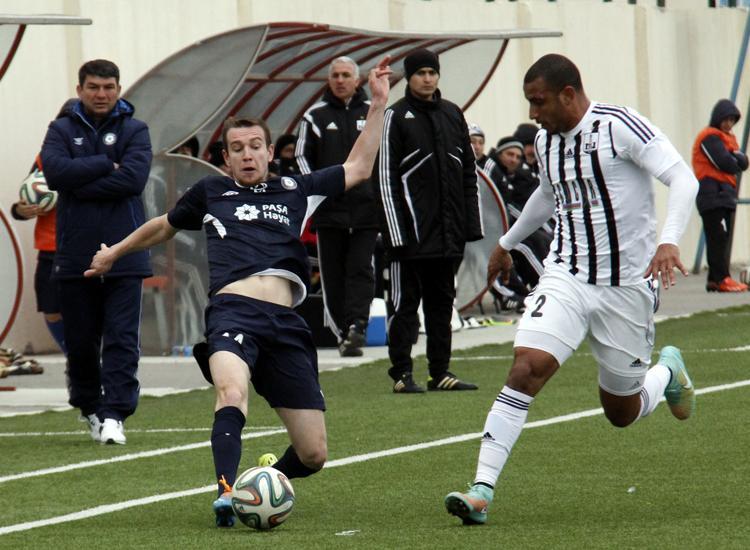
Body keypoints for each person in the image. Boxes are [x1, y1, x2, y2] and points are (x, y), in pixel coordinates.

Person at [85, 57, 393, 527]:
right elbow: (163, 227)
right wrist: (114, 253)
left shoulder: (296, 189)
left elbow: (358, 166)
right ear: (225, 159)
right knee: (231, 393)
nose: (247, 155)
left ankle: (262, 482)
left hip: (286, 325)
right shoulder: (211, 192)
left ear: (270, 152)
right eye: (236, 149)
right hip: (233, 313)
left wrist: (378, 104)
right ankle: (227, 492)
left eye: (254, 146)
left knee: (313, 454)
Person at [444, 53, 698, 525]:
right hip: (567, 276)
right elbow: (548, 193)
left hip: (626, 288)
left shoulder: (619, 126)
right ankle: (481, 490)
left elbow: (682, 178)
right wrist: (507, 242)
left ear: (567, 94)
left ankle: (666, 371)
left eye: (538, 101)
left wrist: (668, 241)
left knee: (621, 412)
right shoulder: (546, 140)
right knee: (526, 368)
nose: (532, 113)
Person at [40, 59, 153, 446]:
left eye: (108, 87)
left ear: (119, 89)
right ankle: (90, 407)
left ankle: (115, 414)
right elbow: (54, 173)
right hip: (75, 254)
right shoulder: (61, 129)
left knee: (122, 338)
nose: (101, 94)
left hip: (125, 252)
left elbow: (133, 180)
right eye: (93, 87)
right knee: (80, 341)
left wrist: (79, 181)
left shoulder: (136, 129)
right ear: (80, 90)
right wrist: (106, 164)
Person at [376, 48, 482, 393]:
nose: (427, 79)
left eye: (432, 72)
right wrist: (396, 233)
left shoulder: (453, 113)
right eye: (420, 73)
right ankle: (401, 374)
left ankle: (440, 372)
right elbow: (385, 177)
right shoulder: (395, 116)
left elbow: (468, 173)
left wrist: (470, 226)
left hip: (448, 235)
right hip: (408, 236)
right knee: (404, 306)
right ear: (409, 78)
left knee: (441, 305)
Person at [296, 56, 379, 357]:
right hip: (330, 211)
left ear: (357, 80)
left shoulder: (373, 112)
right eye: (335, 75)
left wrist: (377, 192)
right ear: (328, 80)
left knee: (361, 268)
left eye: (346, 75)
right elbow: (302, 158)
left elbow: (385, 155)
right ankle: (343, 331)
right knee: (333, 273)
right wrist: (319, 191)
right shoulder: (314, 116)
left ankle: (358, 325)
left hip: (366, 210)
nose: (341, 80)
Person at [11, 98, 78, 355]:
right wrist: (21, 210)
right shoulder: (45, 159)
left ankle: (89, 359)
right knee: (51, 310)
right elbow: (25, 200)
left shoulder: (97, 157)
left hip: (86, 245)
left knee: (88, 309)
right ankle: (75, 357)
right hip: (50, 247)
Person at [692, 99, 749, 292]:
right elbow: (726, 162)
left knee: (720, 238)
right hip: (712, 195)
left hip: (724, 196)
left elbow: (743, 162)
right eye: (726, 119)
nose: (728, 124)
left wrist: (737, 159)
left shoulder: (729, 138)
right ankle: (723, 278)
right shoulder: (709, 136)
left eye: (732, 120)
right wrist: (736, 159)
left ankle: (714, 279)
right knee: (717, 238)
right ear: (717, 118)